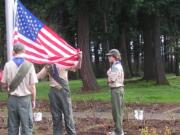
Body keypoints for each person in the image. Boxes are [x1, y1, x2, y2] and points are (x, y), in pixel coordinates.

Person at [37, 52, 82, 135]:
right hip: (53, 92)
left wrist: (80, 58)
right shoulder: (48, 65)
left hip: (63, 91)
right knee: (56, 116)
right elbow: (38, 76)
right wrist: (27, 75)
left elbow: (77, 67)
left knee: (68, 115)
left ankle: (71, 133)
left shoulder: (64, 62)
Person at [1, 43, 38, 135]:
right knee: (27, 127)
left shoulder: (7, 65)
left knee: (12, 127)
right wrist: (33, 100)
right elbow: (32, 86)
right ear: (24, 51)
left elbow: (3, 84)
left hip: (12, 100)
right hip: (25, 100)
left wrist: (8, 88)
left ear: (14, 52)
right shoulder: (29, 65)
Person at [106, 49, 125, 135]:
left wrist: (108, 74)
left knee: (116, 112)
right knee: (117, 111)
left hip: (116, 90)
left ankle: (119, 132)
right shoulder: (115, 65)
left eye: (110, 56)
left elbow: (112, 80)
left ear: (115, 56)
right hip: (117, 90)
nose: (108, 57)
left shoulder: (115, 66)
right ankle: (119, 130)